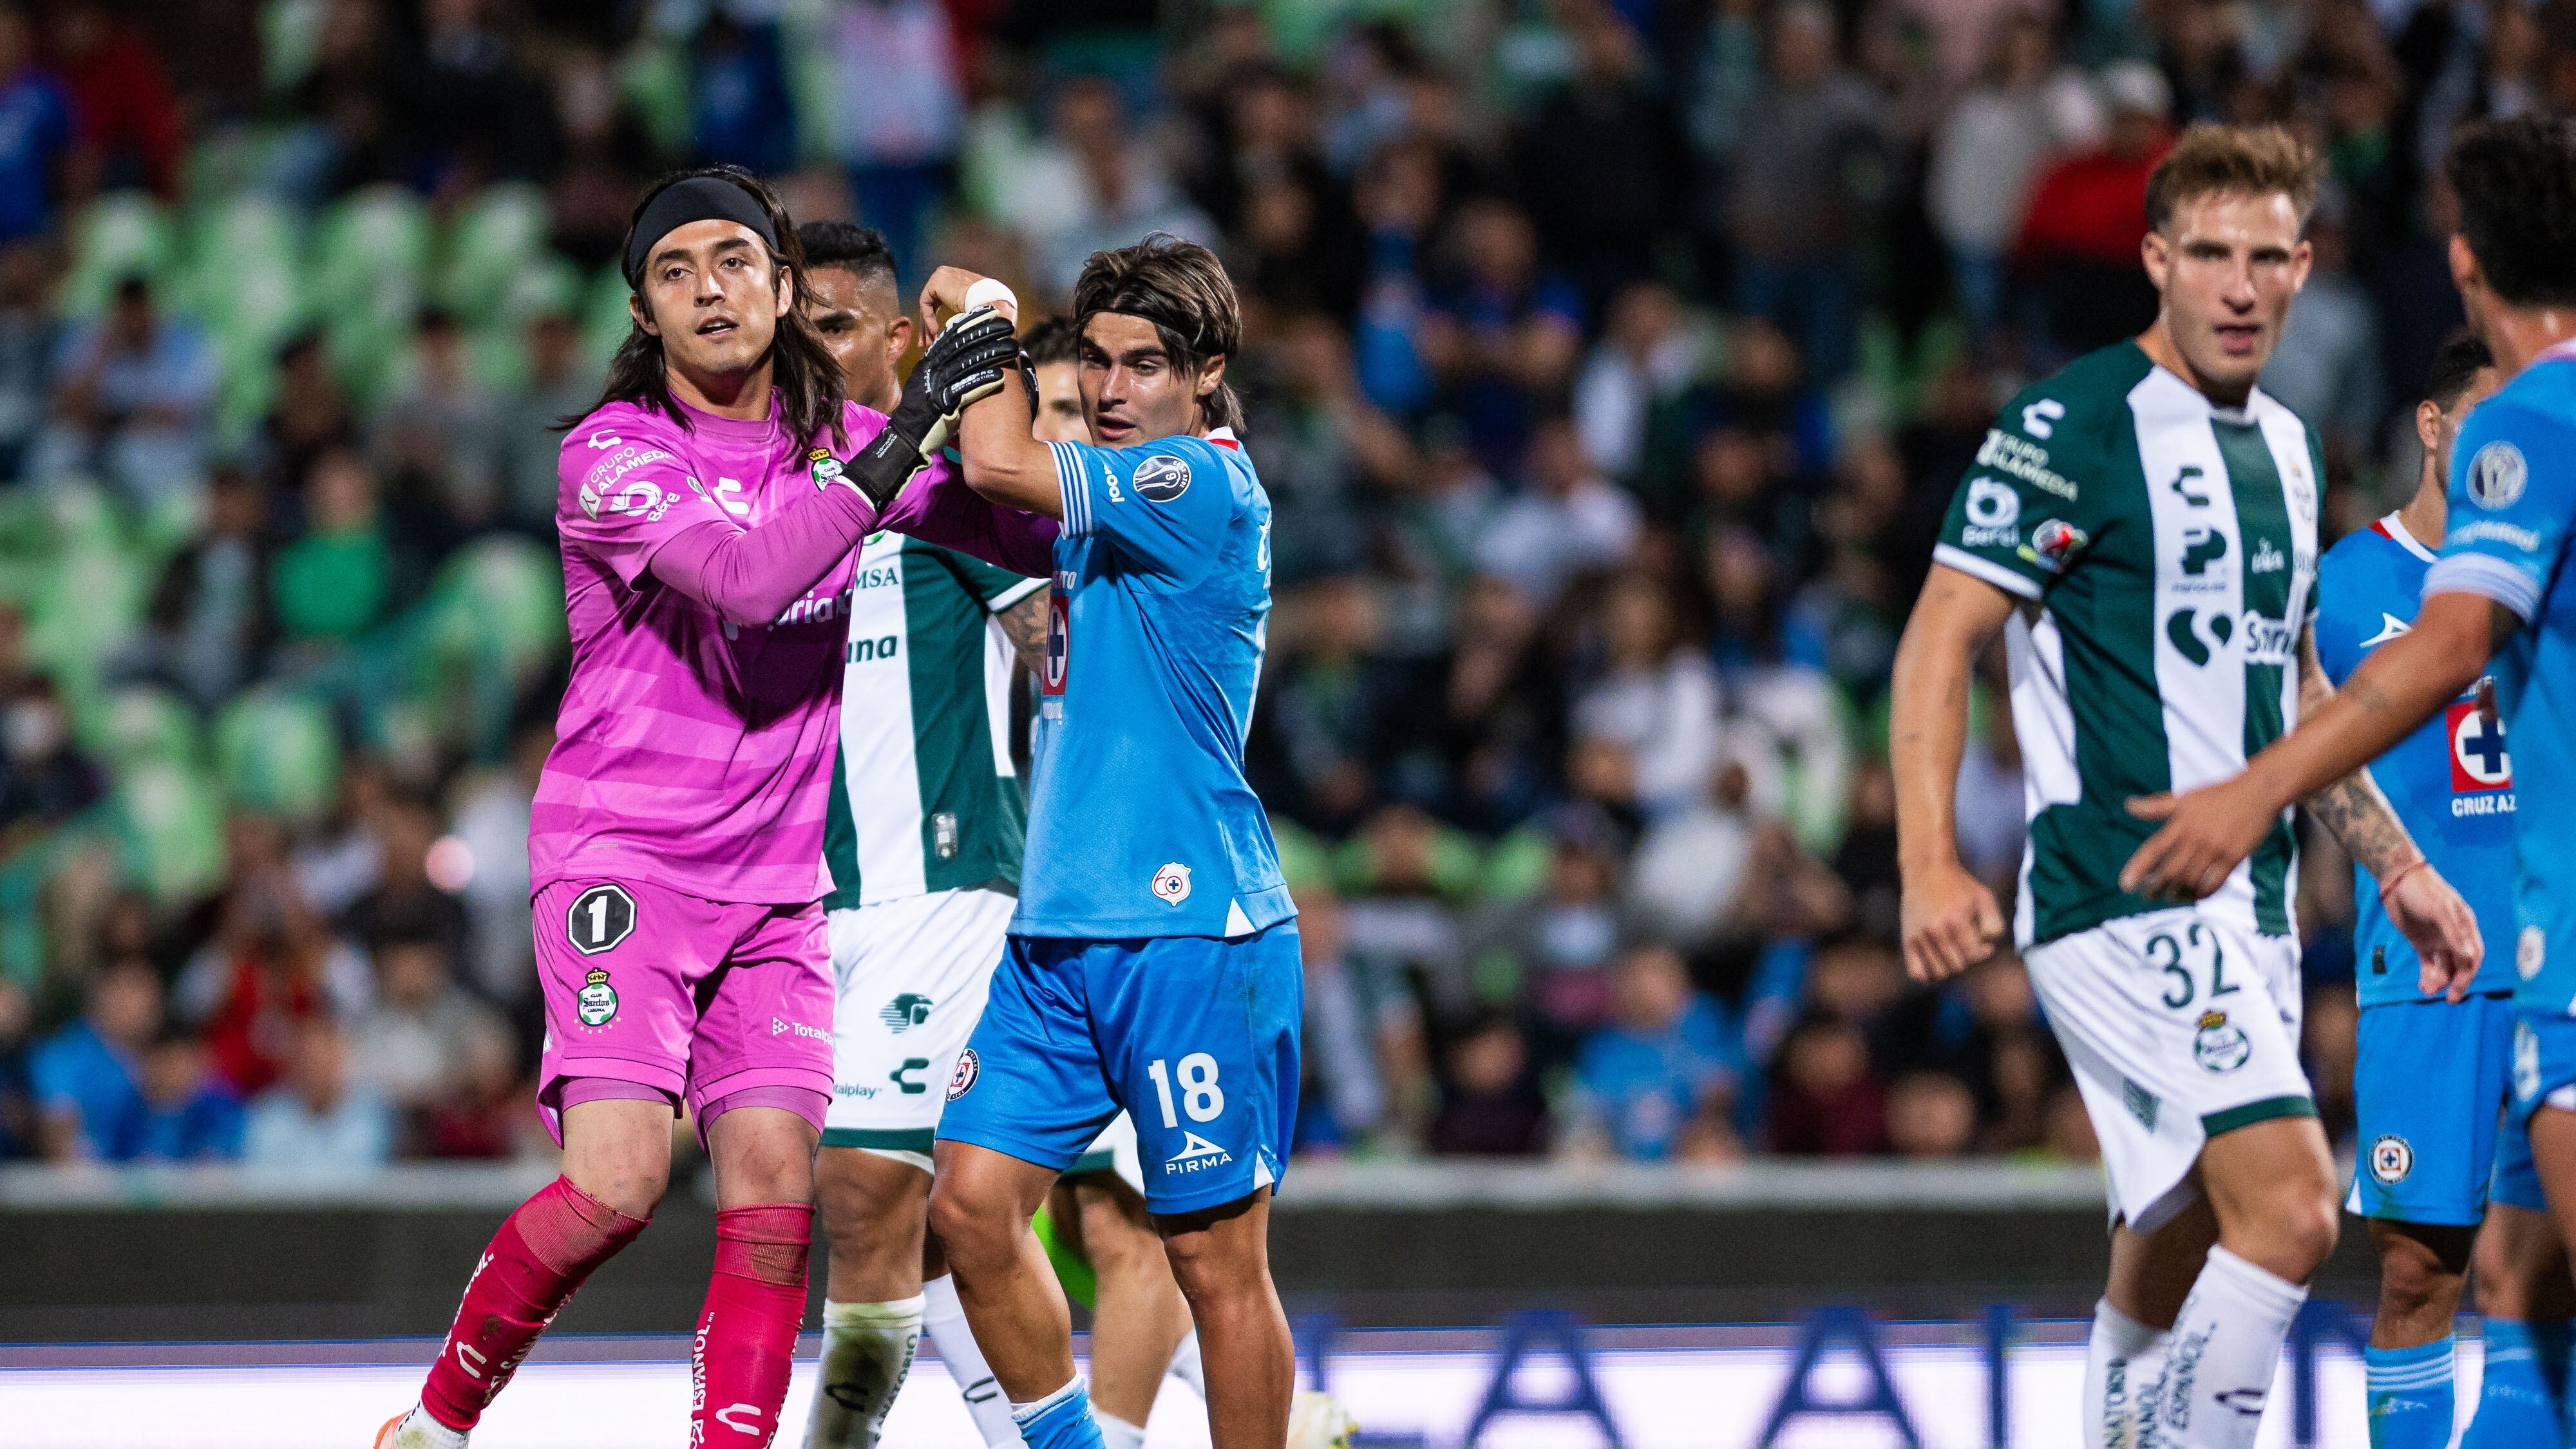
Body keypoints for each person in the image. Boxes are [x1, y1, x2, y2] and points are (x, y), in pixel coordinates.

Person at [373, 165, 1020, 1449]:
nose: (708, 288)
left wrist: (1048, 403)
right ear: (644, 313)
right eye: (675, 273)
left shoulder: (838, 444)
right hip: (627, 858)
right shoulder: (612, 454)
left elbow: (1022, 529)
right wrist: (910, 430)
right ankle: (437, 1426)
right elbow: (744, 577)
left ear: (783, 290)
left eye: (733, 261)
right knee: (615, 1187)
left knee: (779, 1191)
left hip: (777, 886)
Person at [1888, 124, 2484, 1449]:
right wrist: (1927, 861)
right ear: (2155, 260)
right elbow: (1940, 631)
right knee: (2290, 1210)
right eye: (2206, 254)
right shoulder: (2069, 424)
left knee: (2179, 1226)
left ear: (2300, 269)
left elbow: (2294, 696)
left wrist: (2397, 866)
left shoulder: (2283, 445)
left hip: (2251, 904)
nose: (2234, 285)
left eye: (2262, 257)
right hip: (2119, 885)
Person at [2117, 113, 2576, 1447]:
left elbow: (2439, 653)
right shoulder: (2366, 551)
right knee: (2512, 1284)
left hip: (2556, 933)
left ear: (2467, 265)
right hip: (2458, 957)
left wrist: (2253, 789)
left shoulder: (2528, 428)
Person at [887, 236, 1304, 1449]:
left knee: (1215, 1262)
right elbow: (953, 488)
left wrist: (986, 317)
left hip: (1192, 931)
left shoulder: (1198, 485)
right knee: (968, 1207)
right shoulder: (1099, 502)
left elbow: (1000, 454)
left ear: (1208, 371)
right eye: (1100, 365)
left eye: (1145, 366)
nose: (1116, 391)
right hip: (1056, 931)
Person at [791, 218, 1053, 1449]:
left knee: (864, 1191)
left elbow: (1054, 638)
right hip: (808, 910)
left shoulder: (950, 491)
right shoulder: (780, 515)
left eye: (837, 327)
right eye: (798, 329)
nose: (811, 349)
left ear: (901, 339)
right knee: (943, 1232)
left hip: (944, 891)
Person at [2315, 330, 2576, 1448]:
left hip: (2552, 961)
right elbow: (2305, 748)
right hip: (2424, 976)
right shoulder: (2349, 580)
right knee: (2423, 1273)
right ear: (2431, 426)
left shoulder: (2553, 574)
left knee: (2544, 1273)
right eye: (2483, 422)